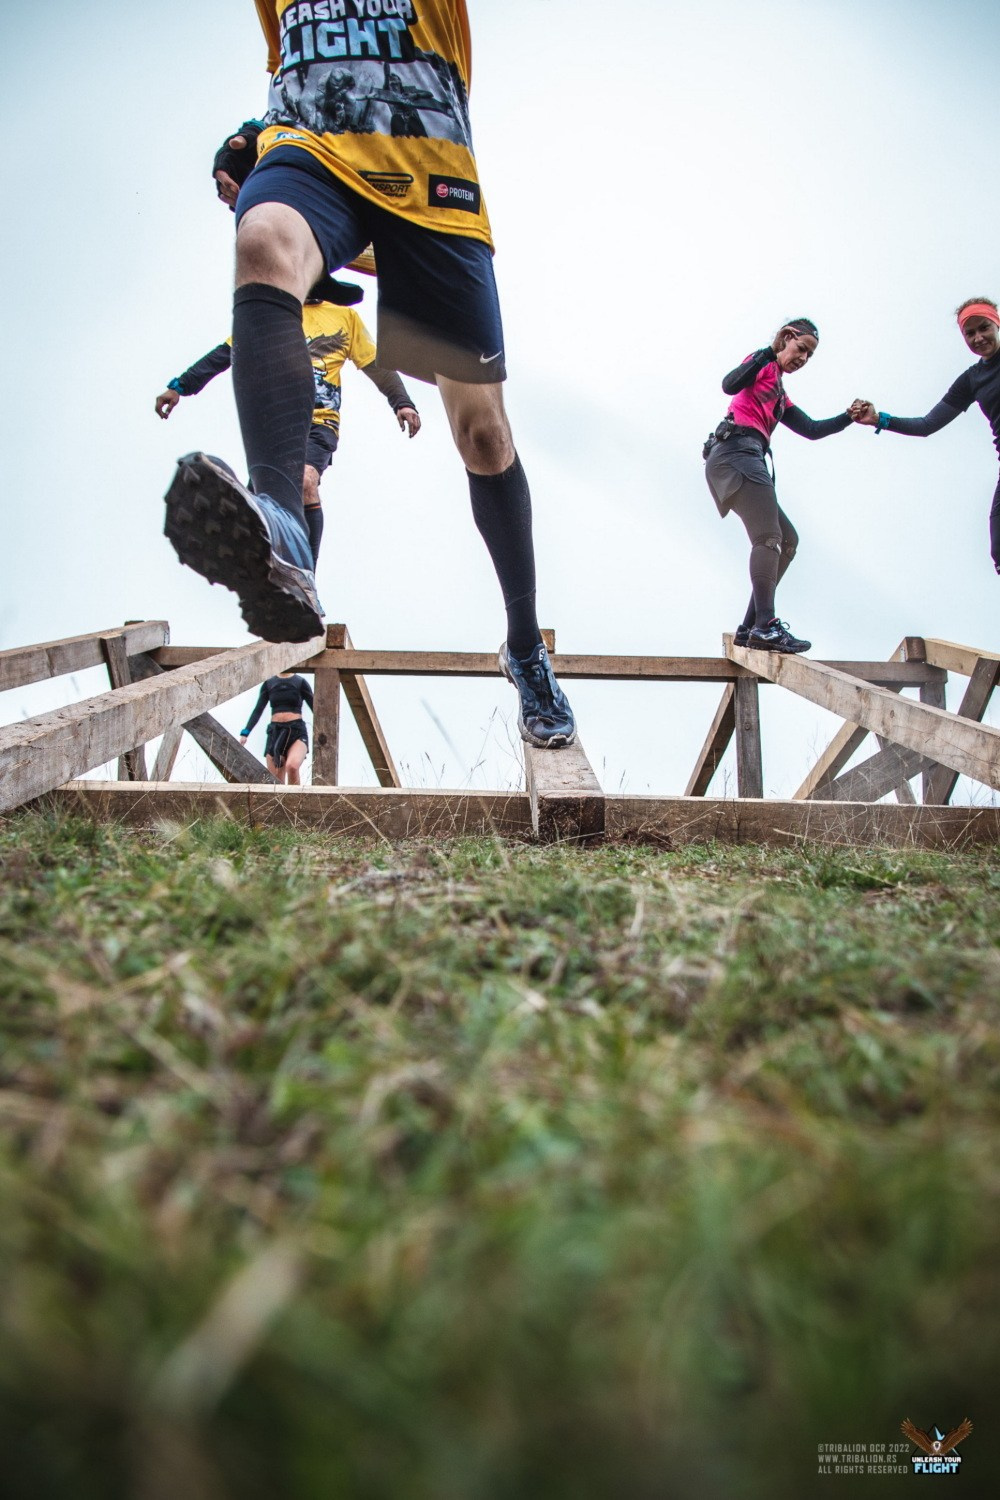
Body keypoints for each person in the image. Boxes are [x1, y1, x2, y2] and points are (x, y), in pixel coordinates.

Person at [164, 0, 576, 749]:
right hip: (309, 152)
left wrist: (398, 402)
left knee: (483, 435)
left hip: (430, 176)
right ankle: (282, 522)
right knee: (262, 241)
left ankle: (523, 647)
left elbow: (381, 369)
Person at [155, 295, 420, 565]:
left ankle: (306, 575)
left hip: (319, 423)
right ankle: (256, 557)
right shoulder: (271, 312)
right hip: (275, 424)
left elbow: (375, 365)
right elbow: (225, 354)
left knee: (305, 480)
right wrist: (180, 386)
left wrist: (402, 402)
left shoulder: (344, 317)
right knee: (262, 498)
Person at [704, 318, 860, 653]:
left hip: (748, 457)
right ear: (786, 339)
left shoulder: (779, 395)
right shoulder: (762, 364)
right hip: (735, 453)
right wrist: (766, 353)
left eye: (810, 356)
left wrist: (849, 417)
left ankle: (750, 629)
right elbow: (730, 385)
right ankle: (766, 626)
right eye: (801, 349)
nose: (803, 359)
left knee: (787, 540)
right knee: (769, 537)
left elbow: (813, 429)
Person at [850, 298, 1000, 574]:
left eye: (984, 328)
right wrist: (878, 418)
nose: (978, 338)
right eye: (970, 333)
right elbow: (927, 424)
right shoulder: (971, 380)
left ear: (996, 324)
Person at [239, 670, 314, 784]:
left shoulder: (300, 682)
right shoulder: (269, 683)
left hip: (296, 730)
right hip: (275, 732)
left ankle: (296, 801)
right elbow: (258, 710)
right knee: (275, 781)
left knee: (292, 767)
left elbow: (316, 707)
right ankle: (281, 802)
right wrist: (245, 732)